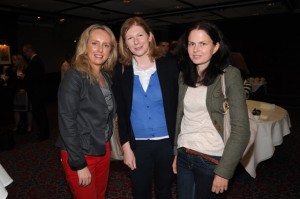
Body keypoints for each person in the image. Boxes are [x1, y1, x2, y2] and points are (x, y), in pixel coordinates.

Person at [172, 20, 250, 199]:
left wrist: (224, 171)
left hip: (211, 158)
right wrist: (177, 151)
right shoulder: (184, 75)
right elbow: (180, 117)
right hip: (185, 154)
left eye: (202, 43)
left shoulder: (229, 75)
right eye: (191, 44)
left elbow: (241, 129)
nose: (195, 49)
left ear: (215, 47)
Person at [112, 17, 179, 199]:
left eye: (140, 35)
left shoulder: (169, 66)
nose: (136, 41)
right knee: (140, 192)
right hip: (137, 145)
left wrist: (178, 147)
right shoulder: (121, 71)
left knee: (164, 191)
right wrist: (125, 147)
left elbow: (179, 109)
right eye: (130, 38)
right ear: (125, 44)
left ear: (150, 36)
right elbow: (122, 113)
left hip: (167, 143)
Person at [56, 24, 118, 199]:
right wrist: (78, 163)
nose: (100, 49)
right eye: (95, 43)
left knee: (100, 195)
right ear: (85, 45)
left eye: (106, 45)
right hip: (80, 152)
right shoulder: (74, 75)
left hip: (102, 148)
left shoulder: (104, 76)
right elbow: (66, 120)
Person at [22, 43, 50, 141]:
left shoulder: (36, 61)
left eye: (25, 53)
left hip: (37, 92)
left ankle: (44, 134)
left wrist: (24, 77)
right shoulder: (34, 60)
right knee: (39, 113)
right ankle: (43, 132)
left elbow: (36, 78)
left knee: (40, 114)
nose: (24, 55)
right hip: (37, 92)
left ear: (29, 51)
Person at [11, 54, 33, 133]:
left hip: (26, 93)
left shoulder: (26, 69)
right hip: (17, 93)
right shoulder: (13, 70)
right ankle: (17, 126)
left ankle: (30, 126)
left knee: (28, 110)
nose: (13, 62)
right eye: (12, 60)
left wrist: (25, 89)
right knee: (16, 110)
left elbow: (31, 82)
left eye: (14, 60)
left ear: (19, 60)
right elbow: (12, 82)